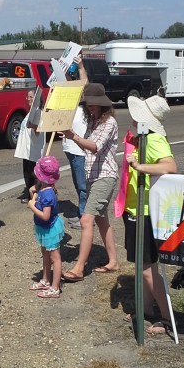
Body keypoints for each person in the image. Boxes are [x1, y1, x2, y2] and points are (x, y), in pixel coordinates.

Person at [114, 95, 177, 334]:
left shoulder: (154, 139)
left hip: (147, 210)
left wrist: (140, 167)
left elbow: (170, 166)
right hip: (135, 208)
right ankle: (147, 308)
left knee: (146, 267)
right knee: (142, 264)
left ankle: (167, 316)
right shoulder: (142, 137)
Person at [61, 83, 119, 281]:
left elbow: (94, 146)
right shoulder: (94, 121)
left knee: (86, 219)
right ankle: (113, 261)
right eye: (87, 104)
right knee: (102, 219)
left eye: (93, 104)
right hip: (94, 176)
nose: (89, 107)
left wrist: (73, 136)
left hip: (105, 175)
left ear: (103, 104)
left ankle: (79, 268)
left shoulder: (108, 122)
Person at [27, 156, 65, 299]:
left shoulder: (48, 194)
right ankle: (45, 279)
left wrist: (32, 206)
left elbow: (45, 216)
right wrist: (33, 191)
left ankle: (55, 287)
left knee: (55, 257)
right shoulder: (43, 188)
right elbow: (35, 195)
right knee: (45, 253)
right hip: (44, 228)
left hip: (49, 227)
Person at [61, 56, 88, 226]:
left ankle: (85, 217)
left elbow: (85, 83)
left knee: (83, 185)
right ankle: (82, 213)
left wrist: (80, 66)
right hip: (70, 148)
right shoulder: (67, 96)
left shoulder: (83, 98)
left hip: (79, 149)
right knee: (78, 184)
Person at [14, 89, 45, 202]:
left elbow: (39, 130)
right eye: (28, 97)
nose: (28, 99)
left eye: (31, 97)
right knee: (27, 172)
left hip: (34, 149)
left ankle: (34, 196)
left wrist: (32, 125)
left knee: (32, 173)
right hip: (27, 149)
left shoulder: (38, 112)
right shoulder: (31, 111)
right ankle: (30, 194)